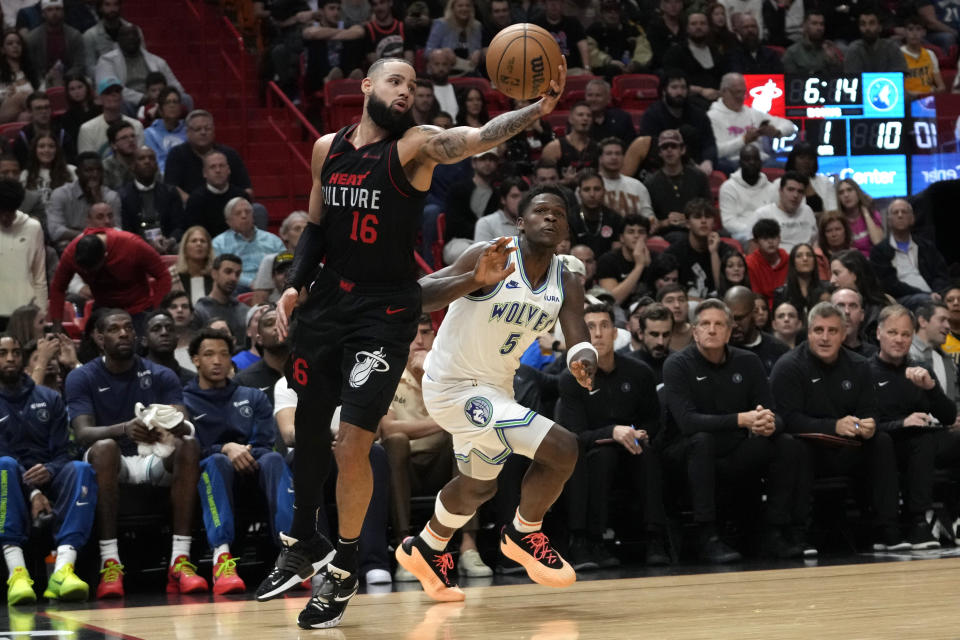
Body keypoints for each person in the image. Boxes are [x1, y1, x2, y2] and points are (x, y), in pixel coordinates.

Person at [252, 57, 571, 629]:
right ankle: (304, 541)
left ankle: (345, 568)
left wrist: (534, 111)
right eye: (396, 82)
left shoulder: (417, 146)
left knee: (353, 442)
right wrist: (296, 285)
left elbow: (471, 139)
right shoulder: (329, 146)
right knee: (308, 429)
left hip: (384, 308)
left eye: (415, 86)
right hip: (328, 301)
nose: (406, 92)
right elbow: (317, 226)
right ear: (367, 85)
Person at [396, 183, 596, 599]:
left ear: (567, 228)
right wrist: (472, 278)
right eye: (541, 210)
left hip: (495, 389)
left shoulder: (567, 275)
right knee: (563, 447)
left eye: (559, 213)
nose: (551, 217)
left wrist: (584, 357)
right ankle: (524, 533)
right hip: (452, 386)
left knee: (479, 486)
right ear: (520, 222)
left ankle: (427, 547)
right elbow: (418, 297)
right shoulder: (493, 254)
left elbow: (576, 330)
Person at [66, 309, 207, 598]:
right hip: (113, 461)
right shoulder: (82, 377)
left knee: (189, 445)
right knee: (104, 448)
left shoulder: (161, 374)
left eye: (128, 328)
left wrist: (165, 423)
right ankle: (110, 562)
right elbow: (82, 433)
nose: (123, 333)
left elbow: (185, 424)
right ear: (99, 337)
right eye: (114, 329)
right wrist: (124, 429)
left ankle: (180, 560)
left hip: (154, 456)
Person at [662, 299, 804, 561]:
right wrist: (742, 419)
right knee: (702, 440)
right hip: (684, 454)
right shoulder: (677, 364)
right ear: (694, 331)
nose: (712, 330)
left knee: (786, 443)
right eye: (705, 324)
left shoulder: (748, 362)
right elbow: (688, 422)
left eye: (719, 324)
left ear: (729, 332)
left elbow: (772, 412)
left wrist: (769, 423)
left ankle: (775, 530)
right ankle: (707, 535)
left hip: (733, 451)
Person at [770, 302, 903, 553]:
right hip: (808, 449)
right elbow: (786, 418)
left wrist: (868, 424)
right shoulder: (789, 366)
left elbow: (869, 409)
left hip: (846, 447)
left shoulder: (860, 365)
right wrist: (834, 426)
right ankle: (797, 533)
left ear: (844, 334)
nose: (825, 337)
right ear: (808, 333)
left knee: (881, 440)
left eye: (832, 331)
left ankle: (887, 530)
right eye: (818, 330)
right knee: (796, 446)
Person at [379, 314, 490, 580]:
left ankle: (468, 546)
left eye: (426, 332)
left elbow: (469, 415)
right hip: (403, 467)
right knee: (394, 442)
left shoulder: (447, 372)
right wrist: (442, 421)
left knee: (465, 438)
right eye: (412, 333)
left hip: (443, 465)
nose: (419, 339)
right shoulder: (386, 374)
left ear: (435, 337)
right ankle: (406, 546)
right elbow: (388, 429)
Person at [183, 327, 292, 594]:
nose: (217, 361)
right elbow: (190, 449)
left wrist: (240, 451)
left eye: (223, 354)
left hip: (253, 469)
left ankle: (291, 555)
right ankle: (222, 560)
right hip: (208, 476)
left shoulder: (251, 396)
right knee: (216, 463)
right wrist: (224, 448)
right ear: (196, 360)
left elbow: (264, 442)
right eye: (209, 354)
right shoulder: (185, 400)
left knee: (275, 459)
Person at [559, 302, 666, 568]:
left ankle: (655, 538)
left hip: (631, 448)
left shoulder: (639, 372)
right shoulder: (571, 378)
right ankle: (590, 542)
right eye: (590, 327)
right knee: (602, 456)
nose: (598, 333)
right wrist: (612, 432)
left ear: (615, 333)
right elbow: (575, 435)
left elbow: (653, 420)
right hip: (592, 451)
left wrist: (642, 432)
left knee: (647, 452)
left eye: (604, 326)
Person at [0, 333, 97, 605]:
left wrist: (52, 471)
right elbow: (3, 454)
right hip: (12, 477)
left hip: (48, 473)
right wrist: (32, 492)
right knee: (4, 465)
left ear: (23, 359)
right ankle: (17, 574)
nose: (10, 358)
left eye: (16, 352)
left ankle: (63, 569)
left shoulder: (48, 398)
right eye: (3, 353)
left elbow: (65, 450)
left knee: (81, 469)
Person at [870, 305, 957, 548]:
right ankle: (917, 521)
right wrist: (903, 423)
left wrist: (931, 388)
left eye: (906, 334)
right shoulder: (865, 371)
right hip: (885, 442)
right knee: (915, 440)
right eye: (892, 333)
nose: (899, 340)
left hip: (922, 440)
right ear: (879, 333)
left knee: (937, 439)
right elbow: (865, 423)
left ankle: (953, 517)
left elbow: (949, 417)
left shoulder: (922, 369)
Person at [49, 207, 171, 332]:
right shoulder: (71, 252)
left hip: (138, 308)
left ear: (105, 256)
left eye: (93, 270)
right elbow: (58, 288)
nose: (90, 274)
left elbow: (163, 275)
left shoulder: (133, 245)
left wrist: (157, 313)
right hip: (104, 308)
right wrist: (57, 326)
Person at [708, 72, 796, 174]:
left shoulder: (752, 113)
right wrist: (744, 140)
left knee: (787, 169)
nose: (741, 97)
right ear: (724, 92)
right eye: (737, 92)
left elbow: (790, 126)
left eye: (744, 93)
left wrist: (776, 132)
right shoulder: (712, 117)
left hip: (761, 161)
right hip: (733, 163)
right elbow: (716, 151)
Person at [636, 70, 717, 176]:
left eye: (683, 88)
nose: (679, 92)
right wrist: (689, 165)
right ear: (664, 91)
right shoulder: (652, 115)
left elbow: (709, 142)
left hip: (699, 164)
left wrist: (708, 161)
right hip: (662, 166)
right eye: (674, 88)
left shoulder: (698, 113)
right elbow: (650, 148)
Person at [870, 199, 949, 307]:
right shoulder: (879, 251)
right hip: (901, 299)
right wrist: (927, 294)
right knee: (925, 301)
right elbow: (889, 285)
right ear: (888, 220)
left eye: (904, 212)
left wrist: (938, 292)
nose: (900, 215)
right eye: (895, 212)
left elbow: (940, 274)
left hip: (933, 294)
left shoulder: (926, 246)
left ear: (912, 218)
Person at [164, 110, 252, 203]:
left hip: (228, 208)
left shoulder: (230, 154)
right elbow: (171, 187)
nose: (203, 132)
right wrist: (192, 203)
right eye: (198, 129)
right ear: (188, 132)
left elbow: (247, 189)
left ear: (214, 131)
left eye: (207, 128)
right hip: (190, 208)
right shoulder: (177, 154)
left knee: (258, 210)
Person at [93, 24, 185, 113]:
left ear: (140, 39)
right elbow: (110, 89)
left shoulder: (157, 61)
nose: (131, 38)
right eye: (126, 36)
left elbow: (176, 86)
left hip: (157, 99)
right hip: (129, 101)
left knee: (185, 99)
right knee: (123, 104)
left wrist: (165, 97)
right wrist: (142, 98)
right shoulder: (107, 60)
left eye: (134, 35)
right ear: (118, 40)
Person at [46, 152, 120, 250]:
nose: (95, 174)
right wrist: (92, 235)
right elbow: (55, 231)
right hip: (71, 248)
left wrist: (98, 200)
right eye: (89, 170)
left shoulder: (111, 196)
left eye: (99, 170)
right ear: (77, 173)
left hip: (104, 247)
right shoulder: (61, 194)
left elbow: (117, 231)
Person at [664, 199, 734, 300]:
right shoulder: (674, 253)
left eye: (708, 217)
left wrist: (714, 253)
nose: (703, 221)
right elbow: (667, 293)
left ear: (714, 223)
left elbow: (725, 292)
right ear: (688, 224)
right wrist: (702, 302)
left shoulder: (726, 251)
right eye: (697, 217)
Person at [118, 146, 182, 253]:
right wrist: (147, 244)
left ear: (157, 165)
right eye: (141, 158)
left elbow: (179, 225)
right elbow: (125, 230)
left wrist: (170, 240)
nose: (147, 161)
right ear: (132, 166)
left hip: (168, 245)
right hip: (135, 247)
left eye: (151, 158)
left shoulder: (170, 192)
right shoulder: (123, 195)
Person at [442, 147, 500, 264]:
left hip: (488, 242)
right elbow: (454, 224)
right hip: (460, 241)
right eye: (483, 159)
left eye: (492, 159)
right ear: (474, 163)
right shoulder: (457, 189)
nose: (487, 163)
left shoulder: (498, 194)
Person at [645, 129, 711, 231]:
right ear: (659, 152)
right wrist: (666, 222)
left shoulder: (699, 177)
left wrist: (689, 219)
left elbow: (708, 209)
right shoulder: (651, 183)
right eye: (665, 147)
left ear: (682, 149)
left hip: (697, 229)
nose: (669, 150)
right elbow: (649, 221)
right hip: (667, 233)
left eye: (674, 146)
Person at [211, 198, 284, 291]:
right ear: (229, 221)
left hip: (271, 288)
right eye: (238, 213)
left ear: (253, 216)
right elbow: (219, 274)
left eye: (248, 212)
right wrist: (251, 283)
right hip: (235, 290)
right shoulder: (218, 243)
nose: (244, 216)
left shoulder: (273, 240)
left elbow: (286, 267)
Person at [0, 178, 46, 324]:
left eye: (9, 213)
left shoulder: (33, 227)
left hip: (25, 312)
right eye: (0, 212)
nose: (4, 218)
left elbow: (39, 276)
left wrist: (42, 311)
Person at [663, 12, 725, 111]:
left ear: (708, 27)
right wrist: (701, 91)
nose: (698, 27)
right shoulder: (676, 52)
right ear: (687, 28)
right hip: (689, 101)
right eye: (694, 24)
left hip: (718, 99)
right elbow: (671, 83)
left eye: (702, 23)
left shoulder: (716, 52)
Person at [183, 151, 250, 238]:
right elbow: (195, 234)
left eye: (221, 166)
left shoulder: (241, 196)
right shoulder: (195, 200)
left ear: (228, 170)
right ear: (204, 173)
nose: (218, 170)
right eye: (212, 167)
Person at [724, 286, 789, 374]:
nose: (734, 325)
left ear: (753, 313)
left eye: (739, 318)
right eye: (729, 319)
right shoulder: (719, 352)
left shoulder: (779, 350)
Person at [911, 302, 960, 418]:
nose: (948, 326)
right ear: (922, 321)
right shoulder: (904, 353)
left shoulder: (948, 360)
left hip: (947, 427)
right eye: (942, 320)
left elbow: (955, 398)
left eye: (948, 321)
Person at [830, 249, 890, 341]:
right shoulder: (829, 303)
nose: (832, 280)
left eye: (836, 273)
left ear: (855, 274)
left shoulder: (880, 311)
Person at [718, 145, 773, 246]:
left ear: (761, 163)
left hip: (767, 235)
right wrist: (754, 232)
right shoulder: (728, 187)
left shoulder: (771, 188)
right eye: (747, 159)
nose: (752, 162)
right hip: (740, 236)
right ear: (740, 163)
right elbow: (728, 222)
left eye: (755, 159)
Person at [76, 78, 144, 159]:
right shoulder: (87, 130)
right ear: (99, 99)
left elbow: (140, 158)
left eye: (117, 91)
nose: (114, 95)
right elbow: (87, 163)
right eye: (108, 92)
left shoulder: (136, 125)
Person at [251, 211, 308, 305]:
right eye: (297, 229)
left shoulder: (319, 266)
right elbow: (258, 303)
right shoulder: (270, 261)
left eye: (306, 230)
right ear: (284, 234)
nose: (302, 233)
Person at [752, 171, 816, 253]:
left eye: (800, 191)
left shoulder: (807, 211)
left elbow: (815, 242)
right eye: (790, 190)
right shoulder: (763, 214)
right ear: (780, 191)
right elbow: (753, 251)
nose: (795, 195)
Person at [192, 253, 249, 343]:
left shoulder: (245, 311)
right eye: (228, 272)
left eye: (237, 274)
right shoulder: (199, 311)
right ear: (214, 274)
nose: (233, 278)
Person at [595, 214, 651, 306]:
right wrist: (639, 266)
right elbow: (612, 301)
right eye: (631, 232)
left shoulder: (656, 259)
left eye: (641, 232)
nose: (636, 236)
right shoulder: (607, 261)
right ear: (622, 238)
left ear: (647, 237)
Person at [24, 0, 86, 82]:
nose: (54, 13)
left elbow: (79, 65)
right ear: (43, 14)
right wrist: (46, 79)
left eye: (58, 9)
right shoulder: (32, 38)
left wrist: (64, 78)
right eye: (49, 10)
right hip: (42, 81)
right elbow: (31, 67)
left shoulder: (74, 35)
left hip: (70, 81)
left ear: (63, 12)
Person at [566, 169, 623, 258]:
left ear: (604, 192)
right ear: (579, 193)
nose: (592, 194)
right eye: (586, 189)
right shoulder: (569, 218)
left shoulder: (615, 219)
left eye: (597, 189)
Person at [541, 102, 600, 186]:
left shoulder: (597, 147)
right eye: (580, 115)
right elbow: (543, 182)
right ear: (571, 119)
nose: (585, 118)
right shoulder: (554, 147)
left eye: (589, 115)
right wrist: (565, 182)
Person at [597, 137, 653, 220]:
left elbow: (648, 218)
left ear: (624, 157)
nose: (614, 157)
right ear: (600, 158)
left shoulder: (637, 186)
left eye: (618, 154)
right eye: (609, 153)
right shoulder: (589, 184)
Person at [82, 0, 141, 77]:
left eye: (115, 4)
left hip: (132, 79)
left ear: (120, 6)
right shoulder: (90, 36)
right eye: (107, 5)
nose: (112, 9)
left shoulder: (134, 31)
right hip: (104, 82)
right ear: (100, 8)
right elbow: (90, 68)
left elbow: (142, 60)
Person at [13, 91, 73, 165]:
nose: (44, 111)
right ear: (29, 111)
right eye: (39, 108)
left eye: (47, 107)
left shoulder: (62, 135)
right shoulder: (22, 138)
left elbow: (70, 162)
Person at [843, 9, 908, 74]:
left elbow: (900, 77)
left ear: (880, 27)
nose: (867, 28)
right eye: (863, 24)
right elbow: (853, 79)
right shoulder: (853, 50)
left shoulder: (892, 47)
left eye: (871, 23)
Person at [621, 302, 673, 384]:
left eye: (665, 335)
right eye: (654, 335)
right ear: (641, 334)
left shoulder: (681, 364)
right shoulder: (624, 366)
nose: (661, 342)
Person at [141, 309, 195, 386]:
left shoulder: (192, 380)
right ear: (144, 341)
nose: (164, 332)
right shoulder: (132, 377)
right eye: (156, 329)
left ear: (177, 339)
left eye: (170, 329)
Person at [534, 0, 589, 74]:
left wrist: (587, 68)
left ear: (562, 4)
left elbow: (583, 46)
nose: (553, 5)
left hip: (571, 70)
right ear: (545, 5)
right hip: (546, 72)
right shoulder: (536, 25)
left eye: (557, 1)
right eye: (550, 2)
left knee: (581, 73)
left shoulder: (573, 23)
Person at [781, 10, 843, 75]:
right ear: (804, 26)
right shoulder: (792, 52)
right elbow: (789, 80)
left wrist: (833, 60)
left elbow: (839, 77)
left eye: (821, 24)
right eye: (814, 23)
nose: (819, 28)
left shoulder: (829, 49)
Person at [745, 218, 788, 307]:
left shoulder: (789, 260)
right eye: (765, 238)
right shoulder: (750, 263)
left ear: (779, 238)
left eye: (773, 237)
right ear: (756, 242)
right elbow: (756, 296)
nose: (770, 242)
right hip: (763, 310)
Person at [143, 87, 185, 174]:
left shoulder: (188, 131)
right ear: (160, 110)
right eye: (167, 102)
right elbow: (155, 163)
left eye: (175, 102)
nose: (172, 105)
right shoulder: (150, 134)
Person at [836, 179, 883, 257]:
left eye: (849, 190)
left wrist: (865, 213)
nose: (846, 195)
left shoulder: (873, 214)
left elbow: (877, 242)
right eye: (841, 193)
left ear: (858, 193)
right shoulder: (838, 220)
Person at [901, 16, 945, 98]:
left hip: (928, 99)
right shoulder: (898, 55)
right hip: (908, 100)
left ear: (924, 32)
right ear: (904, 32)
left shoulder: (930, 54)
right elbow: (898, 88)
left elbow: (941, 86)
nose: (914, 33)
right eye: (910, 29)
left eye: (918, 29)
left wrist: (937, 91)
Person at [473, 177, 527, 243]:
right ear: (503, 200)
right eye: (514, 196)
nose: (520, 201)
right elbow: (482, 253)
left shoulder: (533, 222)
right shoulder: (487, 223)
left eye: (524, 197)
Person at [584, 79, 636, 144]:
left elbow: (631, 146)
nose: (593, 99)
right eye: (590, 95)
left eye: (598, 95)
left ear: (608, 99)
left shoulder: (622, 119)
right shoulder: (577, 119)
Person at [832, 287, 878, 359]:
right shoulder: (822, 351)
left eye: (853, 306)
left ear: (862, 315)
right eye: (840, 305)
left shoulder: (874, 354)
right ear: (829, 311)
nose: (847, 311)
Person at [171, 225, 213, 304]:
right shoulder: (173, 274)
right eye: (194, 241)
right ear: (185, 248)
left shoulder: (216, 274)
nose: (199, 244)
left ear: (209, 248)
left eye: (203, 241)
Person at [60, 74, 100, 149]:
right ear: (68, 93)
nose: (77, 92)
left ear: (86, 88)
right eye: (72, 89)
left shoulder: (100, 109)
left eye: (80, 87)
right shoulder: (67, 117)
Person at [101, 120, 137, 189]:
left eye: (133, 136)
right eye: (124, 138)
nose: (131, 140)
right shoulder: (105, 168)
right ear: (113, 145)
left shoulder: (146, 160)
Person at [659, 283, 692, 351]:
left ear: (688, 305)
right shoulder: (654, 335)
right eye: (670, 301)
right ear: (660, 306)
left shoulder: (698, 333)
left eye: (681, 300)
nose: (677, 305)